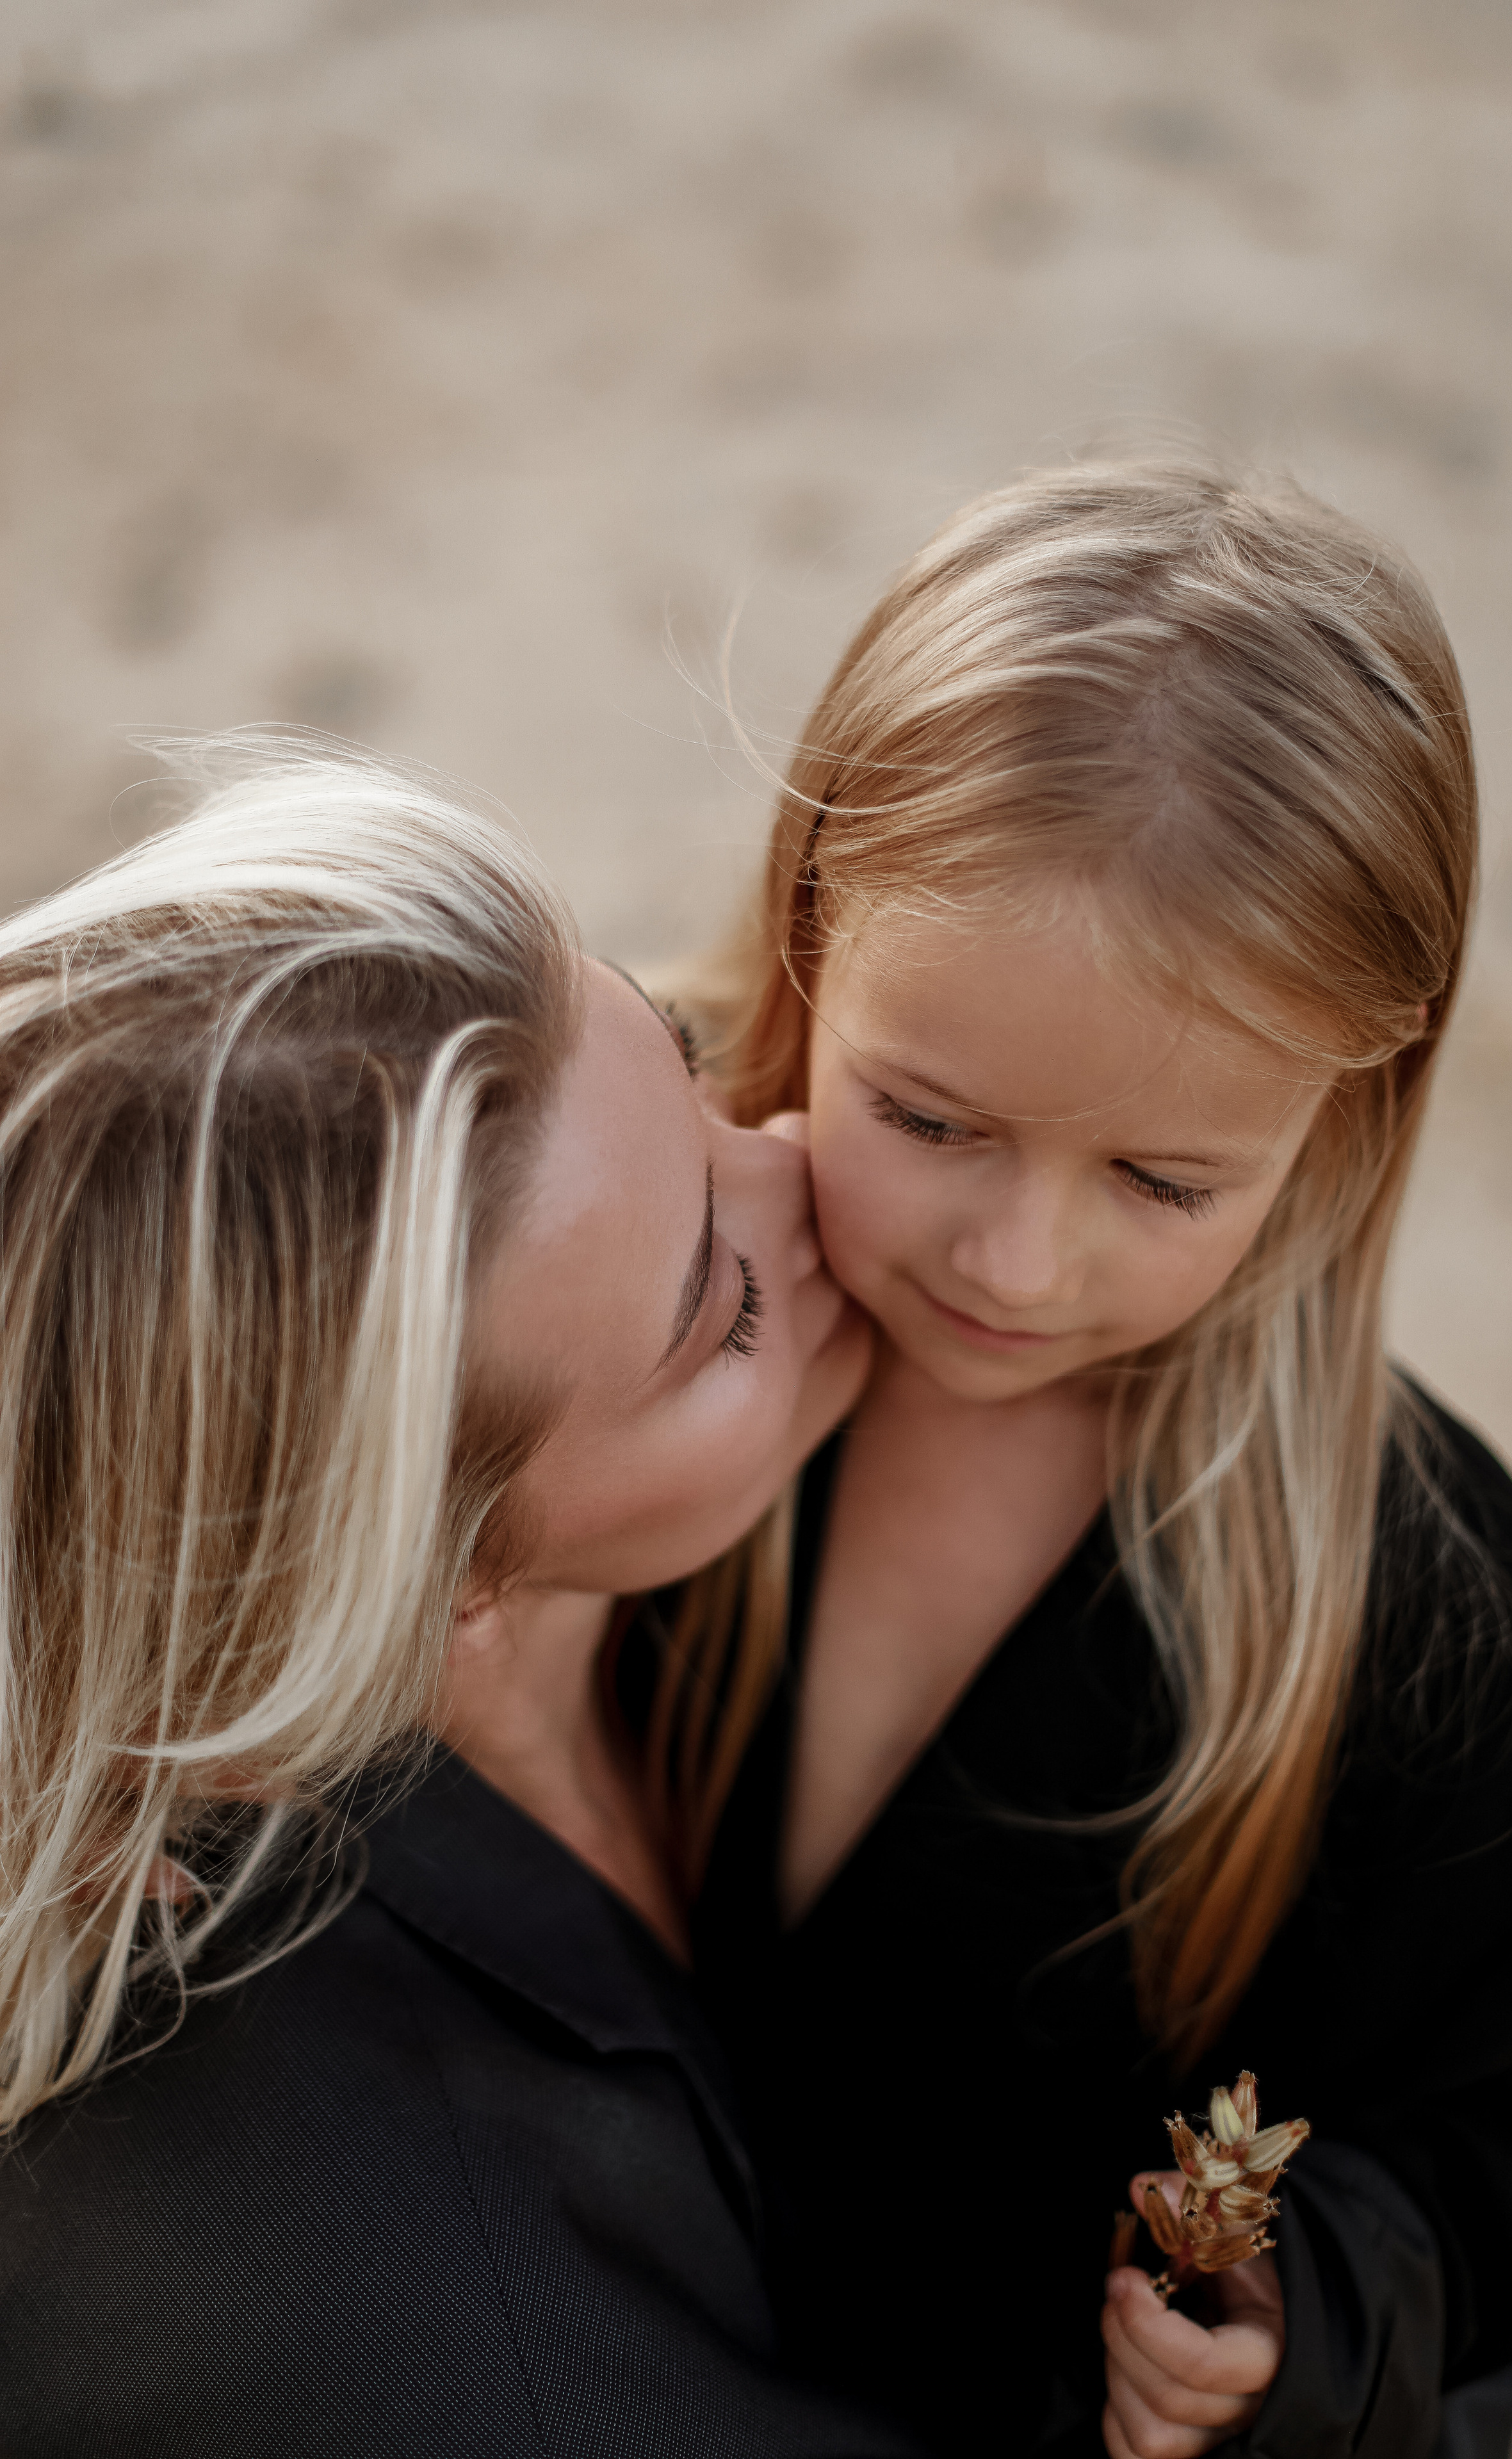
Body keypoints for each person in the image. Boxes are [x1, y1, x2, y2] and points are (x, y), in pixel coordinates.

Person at [645, 465, 1512, 2458]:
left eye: (1168, 1180)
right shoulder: (575, 1274)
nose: (1016, 1266)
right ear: (812, 929)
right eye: (927, 1120)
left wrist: (1300, 2301)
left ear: (1349, 1111)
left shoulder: (1485, 1693)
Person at [0, 738, 918, 2458]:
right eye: (716, 1315)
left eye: (689, 1065)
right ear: (406, 1590)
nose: (800, 1164)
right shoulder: (439, 2352)